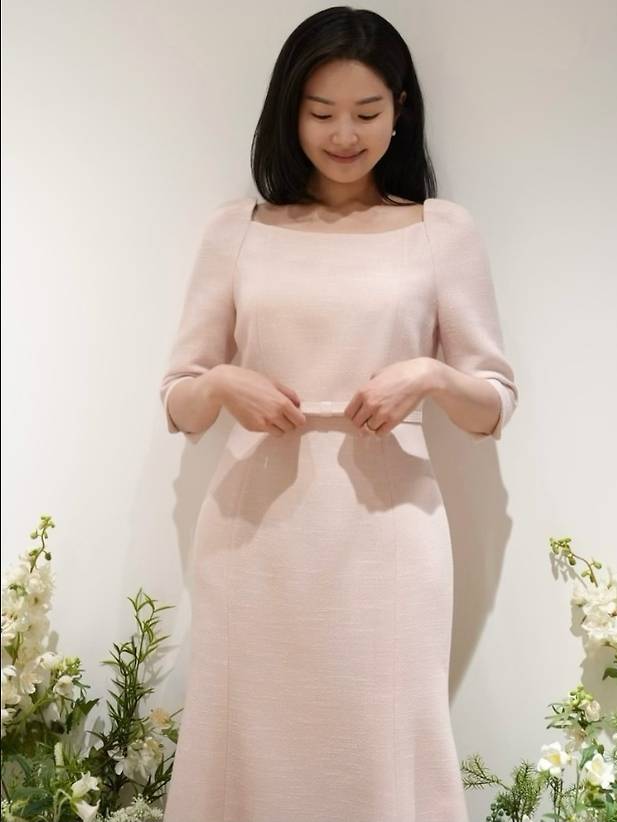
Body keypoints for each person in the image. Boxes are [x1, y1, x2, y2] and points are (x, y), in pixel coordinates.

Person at [159, 7, 519, 822]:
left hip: (389, 533)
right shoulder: (237, 231)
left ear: (400, 110)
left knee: (384, 737)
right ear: (290, 113)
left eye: (366, 111)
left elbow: (493, 404)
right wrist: (226, 383)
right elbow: (180, 398)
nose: (344, 135)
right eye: (321, 112)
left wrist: (428, 374)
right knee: (247, 737)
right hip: (254, 534)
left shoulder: (441, 232)